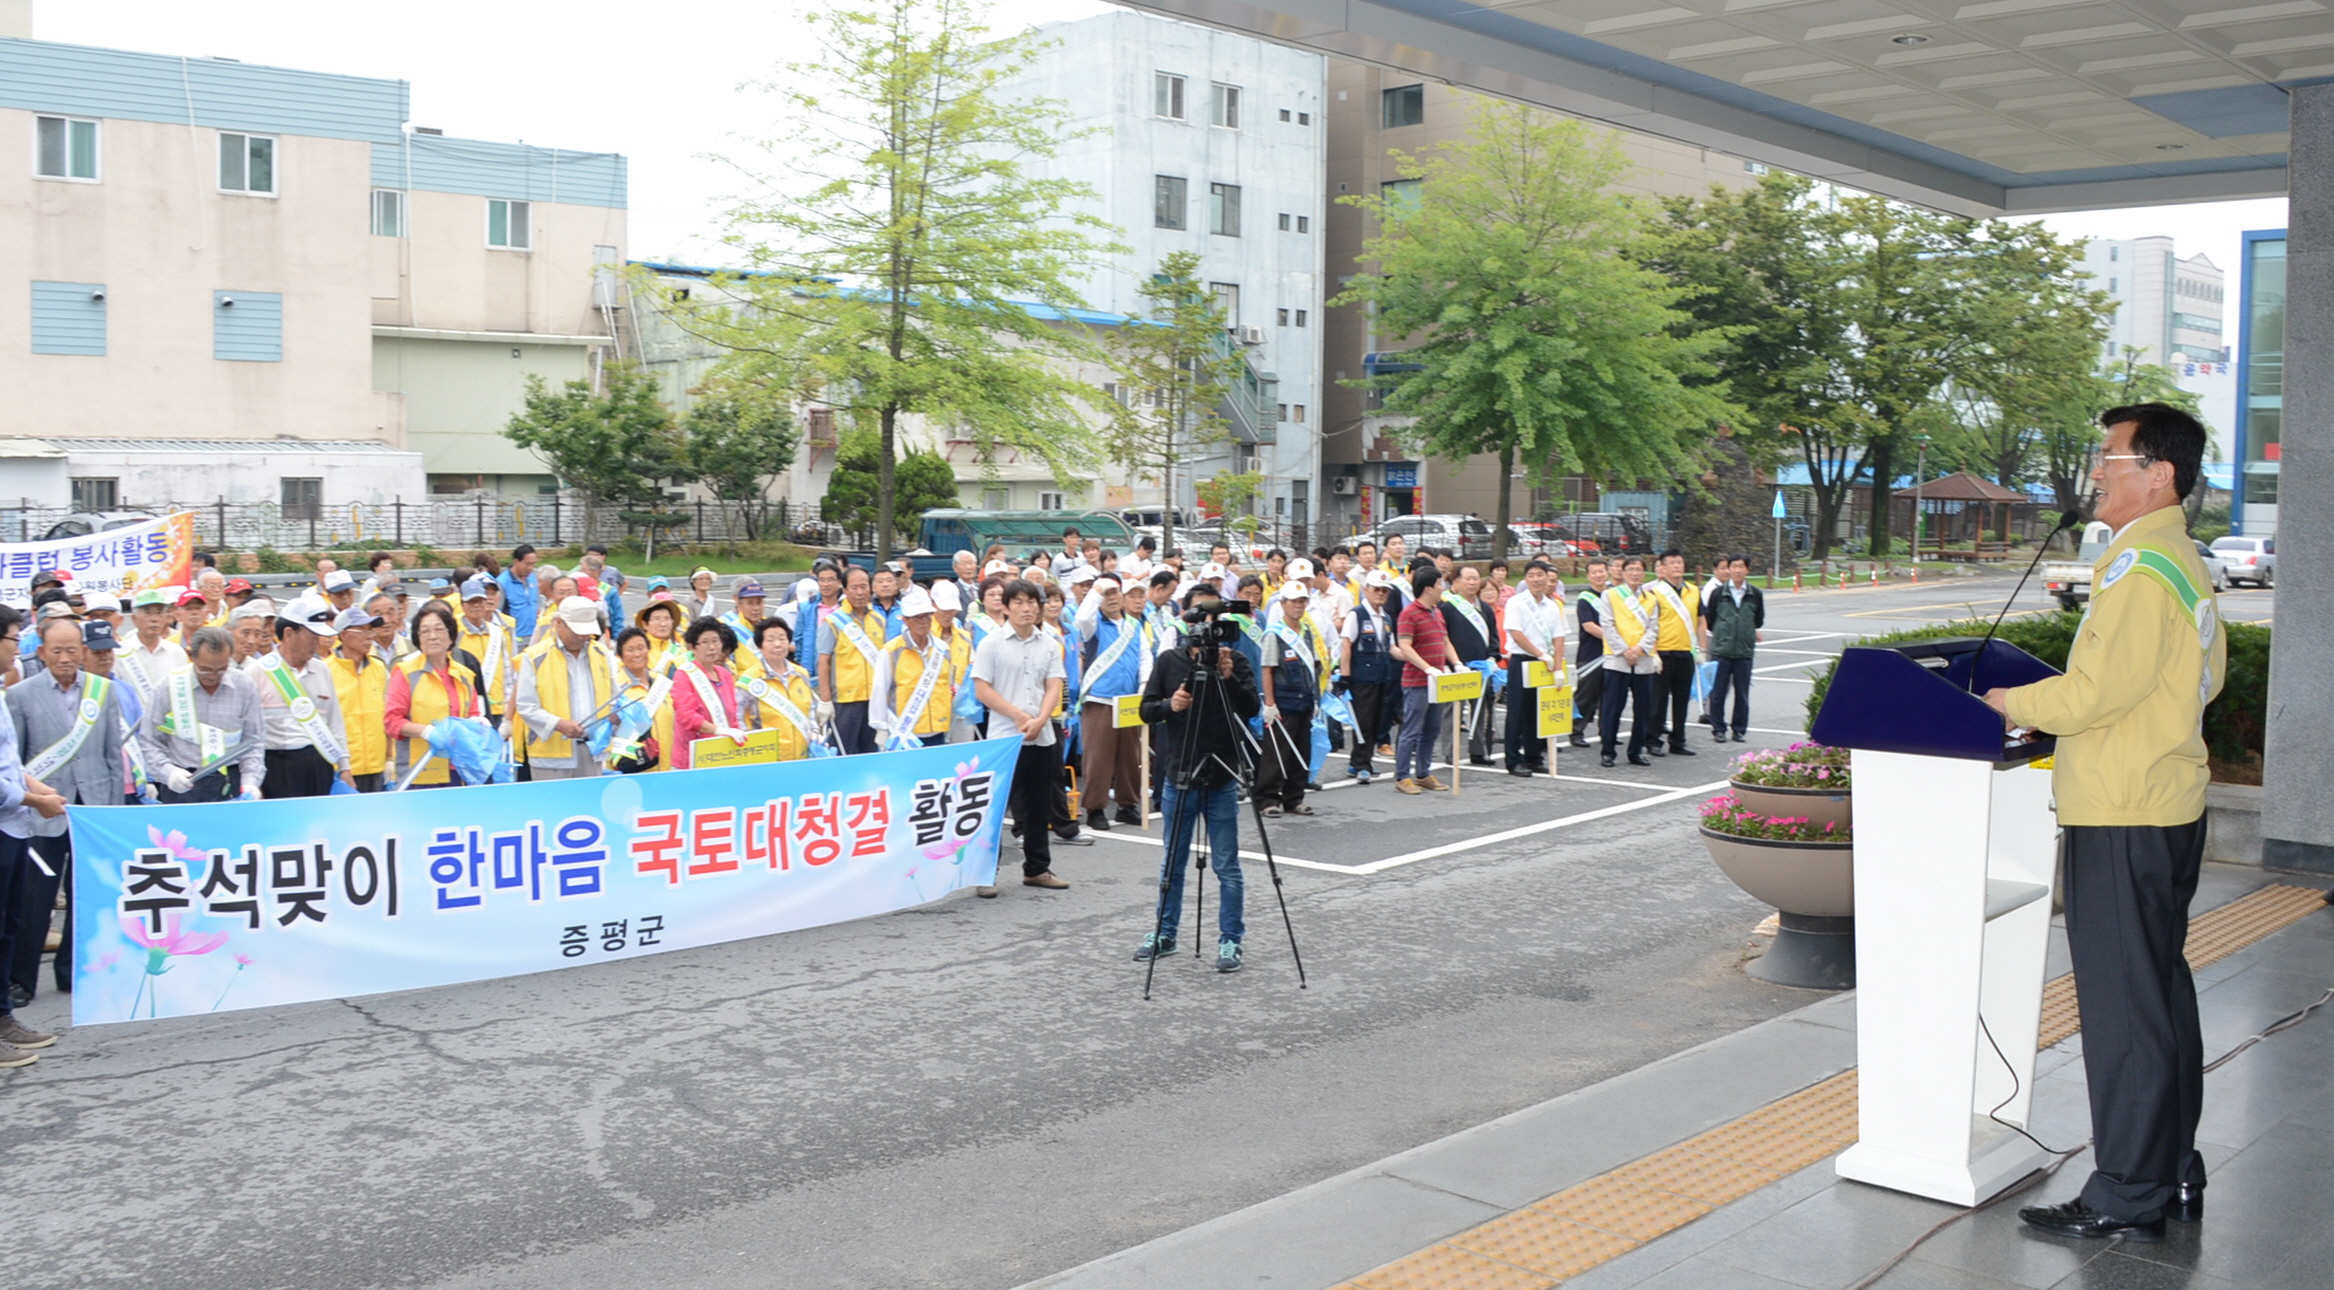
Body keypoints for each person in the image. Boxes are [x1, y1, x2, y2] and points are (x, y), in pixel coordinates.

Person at [1980, 404, 2224, 1242]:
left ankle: (2127, 1190)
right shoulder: (2182, 561)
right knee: (2160, 995)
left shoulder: (2139, 568)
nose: (2095, 470)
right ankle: (2173, 1167)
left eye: (2110, 457)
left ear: (2159, 474)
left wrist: (2007, 700)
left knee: (2124, 1010)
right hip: (2164, 801)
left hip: (2122, 811)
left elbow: (2091, 696)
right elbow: (2208, 678)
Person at [1134, 585, 1260, 972]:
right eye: (1200, 615)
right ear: (1186, 620)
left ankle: (1230, 940)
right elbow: (1145, 710)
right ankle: (1165, 932)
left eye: (1214, 617)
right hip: (1180, 774)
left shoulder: (1234, 660)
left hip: (1221, 776)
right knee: (1172, 863)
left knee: (1227, 866)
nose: (1208, 624)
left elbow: (1251, 708)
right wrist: (1170, 705)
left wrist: (1229, 677)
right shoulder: (1169, 661)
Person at [8, 617, 125, 1006]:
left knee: (86, 894)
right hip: (43, 813)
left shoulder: (103, 691)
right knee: (34, 899)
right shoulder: (21, 695)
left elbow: (113, 756)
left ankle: (73, 971)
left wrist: (112, 814)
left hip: (92, 808)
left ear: (83, 652)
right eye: (56, 651)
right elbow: (15, 762)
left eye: (72, 650)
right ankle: (21, 980)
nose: (64, 658)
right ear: (41, 652)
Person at [971, 579, 1069, 896]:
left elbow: (1054, 684)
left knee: (1039, 806)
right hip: (1005, 737)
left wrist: (1041, 718)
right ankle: (985, 874)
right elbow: (982, 688)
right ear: (1006, 606)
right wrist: (1017, 715)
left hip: (1042, 735)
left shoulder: (1048, 644)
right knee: (996, 807)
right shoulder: (992, 643)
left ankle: (1037, 869)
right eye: (1019, 602)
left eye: (1031, 602)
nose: (1026, 608)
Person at [0, 683, 68, 1066]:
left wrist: (35, 787)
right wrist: (34, 800)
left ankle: (3, 1018)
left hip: (13, 826)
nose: (15, 654)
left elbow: (7, 763)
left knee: (8, 927)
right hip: (6, 821)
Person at [140, 626, 266, 801]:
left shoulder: (244, 686)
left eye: (221, 668)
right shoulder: (169, 687)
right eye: (205, 669)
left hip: (231, 780)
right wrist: (168, 773)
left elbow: (254, 741)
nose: (213, 676)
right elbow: (149, 740)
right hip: (183, 780)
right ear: (192, 657)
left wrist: (251, 782)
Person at [248, 596, 355, 798]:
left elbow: (335, 722)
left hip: (318, 762)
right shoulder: (257, 672)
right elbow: (250, 733)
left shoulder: (321, 670)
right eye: (312, 637)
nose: (317, 643)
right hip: (276, 765)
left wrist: (344, 767)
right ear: (289, 633)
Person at [385, 602, 491, 788]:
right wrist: (426, 732)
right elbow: (392, 721)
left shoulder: (465, 675)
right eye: (425, 631)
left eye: (439, 629)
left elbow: (473, 714)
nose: (432, 636)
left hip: (460, 769)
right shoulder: (405, 672)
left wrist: (478, 723)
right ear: (418, 639)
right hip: (419, 772)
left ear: (451, 636)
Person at [1076, 575, 1150, 830]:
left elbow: (1144, 657)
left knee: (1130, 756)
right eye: (1106, 594)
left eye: (1115, 592)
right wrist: (1096, 591)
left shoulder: (1134, 625)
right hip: (1100, 698)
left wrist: (1144, 684)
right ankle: (1095, 808)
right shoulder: (1094, 624)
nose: (1111, 598)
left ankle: (1127, 804)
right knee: (1098, 757)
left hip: (1129, 700)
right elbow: (1082, 618)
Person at [516, 596, 618, 780]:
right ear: (558, 623)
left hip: (592, 750)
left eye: (586, 632)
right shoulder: (534, 657)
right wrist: (558, 724)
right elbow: (526, 706)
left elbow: (614, 696)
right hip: (550, 755)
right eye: (576, 630)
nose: (581, 637)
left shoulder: (603, 654)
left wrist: (615, 714)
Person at [1256, 582, 1326, 817]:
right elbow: (1267, 670)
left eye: (1302, 601)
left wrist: (1315, 698)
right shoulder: (1274, 634)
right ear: (1283, 603)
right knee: (1276, 753)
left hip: (1304, 701)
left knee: (1301, 751)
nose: (1299, 605)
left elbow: (1312, 668)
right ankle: (1268, 799)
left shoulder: (1306, 632)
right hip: (1283, 702)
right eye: (1294, 601)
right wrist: (1270, 704)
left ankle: (1294, 798)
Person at [1597, 556, 1664, 768]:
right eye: (1631, 569)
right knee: (1612, 708)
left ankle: (1636, 751)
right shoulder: (1610, 595)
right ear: (1623, 573)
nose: (1635, 573)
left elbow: (1653, 628)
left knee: (1643, 709)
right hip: (1617, 660)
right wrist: (1625, 650)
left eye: (1639, 570)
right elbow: (1607, 626)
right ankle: (1608, 751)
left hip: (1643, 661)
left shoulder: (1650, 598)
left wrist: (1639, 649)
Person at [1392, 566, 1454, 794]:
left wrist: (1457, 663)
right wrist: (1427, 668)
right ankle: (1402, 776)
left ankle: (1423, 773)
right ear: (1428, 588)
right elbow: (1405, 647)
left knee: (1431, 729)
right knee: (1411, 730)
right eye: (1439, 584)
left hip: (1437, 682)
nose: (1442, 588)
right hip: (1416, 682)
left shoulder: (1437, 612)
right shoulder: (1409, 613)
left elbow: (1445, 641)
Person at [1503, 560, 1568, 776]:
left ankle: (1533, 757)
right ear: (1525, 579)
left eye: (1540, 575)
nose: (1536, 579)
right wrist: (1539, 653)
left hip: (1545, 665)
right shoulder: (1516, 602)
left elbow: (1559, 637)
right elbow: (1516, 633)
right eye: (1531, 575)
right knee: (1517, 712)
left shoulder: (1552, 605)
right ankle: (1513, 760)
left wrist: (1558, 667)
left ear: (1547, 577)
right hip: (1523, 660)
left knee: (1538, 712)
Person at [1338, 571, 1403, 784]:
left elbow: (1391, 647)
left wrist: (1411, 656)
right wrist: (1345, 675)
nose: (1380, 594)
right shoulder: (1357, 614)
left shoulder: (1386, 618)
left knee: (1377, 722)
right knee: (1363, 721)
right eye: (1376, 589)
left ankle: (1362, 761)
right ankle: (1361, 764)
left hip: (1382, 676)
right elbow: (1346, 645)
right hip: (1362, 677)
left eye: (1384, 590)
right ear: (1366, 590)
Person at [869, 587, 953, 749]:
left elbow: (947, 685)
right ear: (906, 620)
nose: (923, 621)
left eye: (926, 616)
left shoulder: (942, 649)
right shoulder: (891, 651)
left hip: (938, 729)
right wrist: (880, 726)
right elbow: (880, 690)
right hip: (905, 733)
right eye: (917, 617)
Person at [816, 565, 887, 756]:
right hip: (845, 701)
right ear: (845, 590)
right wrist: (825, 699)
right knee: (842, 753)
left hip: (873, 700)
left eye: (864, 587)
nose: (860, 592)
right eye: (854, 588)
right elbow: (823, 662)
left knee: (870, 753)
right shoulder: (833, 622)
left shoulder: (879, 620)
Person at [1644, 549, 1704, 757]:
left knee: (1682, 700)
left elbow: (1700, 620)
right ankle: (1652, 740)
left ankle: (1678, 740)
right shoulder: (1655, 593)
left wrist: (1701, 649)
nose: (1677, 566)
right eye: (1672, 563)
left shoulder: (1693, 591)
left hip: (1685, 652)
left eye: (1679, 562)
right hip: (1663, 652)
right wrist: (1653, 653)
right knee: (1658, 701)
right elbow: (1648, 624)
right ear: (1663, 567)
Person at [1439, 564, 1498, 767]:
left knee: (1480, 710)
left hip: (1481, 668)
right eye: (1468, 578)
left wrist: (1492, 657)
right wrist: (1448, 664)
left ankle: (1479, 751)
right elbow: (1443, 638)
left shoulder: (1485, 609)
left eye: (1475, 579)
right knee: (1452, 711)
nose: (1472, 583)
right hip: (1456, 667)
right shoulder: (1447, 607)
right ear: (1457, 581)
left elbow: (1493, 637)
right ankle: (1450, 752)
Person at [327, 606, 391, 791]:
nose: (369, 636)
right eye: (362, 630)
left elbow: (388, 716)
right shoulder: (326, 670)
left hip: (377, 767)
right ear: (344, 635)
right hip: (342, 769)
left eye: (371, 630)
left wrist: (390, 759)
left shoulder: (379, 669)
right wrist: (340, 767)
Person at [1701, 555, 1764, 744]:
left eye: (1741, 566)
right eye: (1734, 566)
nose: (1737, 570)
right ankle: (1718, 729)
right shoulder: (1718, 593)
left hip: (1744, 651)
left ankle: (1739, 729)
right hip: (1721, 650)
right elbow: (1710, 619)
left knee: (1742, 693)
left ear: (1747, 570)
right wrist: (1724, 633)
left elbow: (1758, 620)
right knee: (1718, 693)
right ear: (1728, 569)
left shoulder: (1755, 594)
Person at [668, 618, 745, 770]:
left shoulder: (725, 674)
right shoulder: (684, 675)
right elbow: (686, 715)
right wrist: (719, 730)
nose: (712, 647)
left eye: (716, 641)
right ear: (692, 647)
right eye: (705, 642)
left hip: (723, 755)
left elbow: (733, 714)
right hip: (691, 759)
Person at [740, 619, 819, 761]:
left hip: (802, 755)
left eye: (782, 639)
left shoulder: (801, 674)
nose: (777, 644)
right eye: (770, 640)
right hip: (767, 758)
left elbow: (810, 709)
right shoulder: (750, 679)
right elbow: (737, 716)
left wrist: (815, 732)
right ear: (760, 646)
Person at [607, 627, 667, 773]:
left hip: (668, 767)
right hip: (635, 769)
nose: (637, 654)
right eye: (630, 650)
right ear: (620, 655)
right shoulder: (615, 687)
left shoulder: (662, 683)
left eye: (641, 648)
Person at [119, 588, 187, 703]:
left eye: (159, 613)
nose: (154, 619)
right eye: (147, 613)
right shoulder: (120, 653)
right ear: (134, 619)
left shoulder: (177, 653)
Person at [1570, 560, 1610, 750]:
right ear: (1588, 576)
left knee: (1609, 696)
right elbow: (1589, 626)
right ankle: (1576, 730)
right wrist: (1614, 639)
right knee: (1586, 695)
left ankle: (1606, 731)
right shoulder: (1585, 599)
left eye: (1601, 571)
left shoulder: (1612, 596)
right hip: (1591, 654)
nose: (1598, 575)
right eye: (1594, 572)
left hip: (1612, 654)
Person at [498, 544, 542, 641]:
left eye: (533, 564)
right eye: (527, 564)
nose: (530, 568)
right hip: (514, 638)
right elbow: (497, 613)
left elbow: (537, 604)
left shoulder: (532, 578)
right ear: (516, 562)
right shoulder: (502, 582)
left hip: (534, 636)